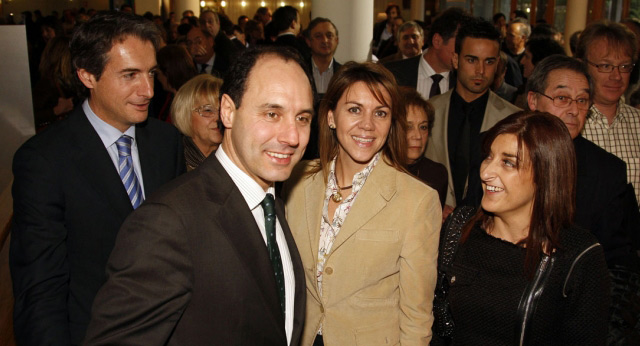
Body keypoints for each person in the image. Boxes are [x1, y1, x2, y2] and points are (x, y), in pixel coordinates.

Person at [84, 45, 313, 345]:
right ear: (228, 111)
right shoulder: (168, 222)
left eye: (303, 119)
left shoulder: (272, 201)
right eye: (272, 114)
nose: (292, 137)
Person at [10, 12, 185, 345]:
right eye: (130, 75)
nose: (148, 90)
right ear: (87, 75)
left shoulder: (166, 142)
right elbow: (40, 288)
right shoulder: (44, 161)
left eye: (150, 73)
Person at [283, 61, 441, 345]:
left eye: (380, 113)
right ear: (331, 116)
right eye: (354, 109)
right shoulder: (297, 180)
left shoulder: (417, 200)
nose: (367, 125)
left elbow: (416, 315)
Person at [434, 111, 610, 345]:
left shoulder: (578, 255)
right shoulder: (460, 227)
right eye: (489, 157)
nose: (486, 173)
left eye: (508, 162)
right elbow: (435, 323)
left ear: (545, 175)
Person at [426, 17, 521, 218]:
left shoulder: (513, 119)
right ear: (455, 60)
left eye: (489, 61)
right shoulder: (429, 111)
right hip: (432, 224)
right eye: (471, 60)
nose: (480, 70)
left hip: (489, 229)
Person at [576, 20, 640, 208]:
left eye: (624, 66)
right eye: (605, 66)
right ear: (582, 66)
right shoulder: (568, 124)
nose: (616, 76)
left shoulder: (637, 123)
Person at [385, 7, 470, 100]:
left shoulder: (466, 83)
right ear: (437, 41)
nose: (466, 51)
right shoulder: (391, 75)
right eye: (460, 44)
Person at [401, 86, 448, 207]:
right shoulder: (374, 170)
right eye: (408, 127)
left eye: (423, 127)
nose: (417, 136)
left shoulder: (437, 174)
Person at [172, 74, 224, 171]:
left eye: (223, 110)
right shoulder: (172, 164)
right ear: (185, 114)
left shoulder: (236, 161)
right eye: (208, 110)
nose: (218, 118)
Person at [151, 44, 197, 122]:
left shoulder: (190, 102)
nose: (157, 78)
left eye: (158, 73)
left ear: (168, 73)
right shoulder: (171, 96)